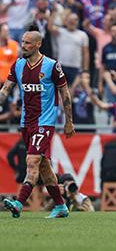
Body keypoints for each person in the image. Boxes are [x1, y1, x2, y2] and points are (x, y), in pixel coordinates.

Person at [0, 31, 74, 219]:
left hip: (45, 122)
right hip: (26, 122)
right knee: (44, 167)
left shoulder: (51, 66)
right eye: (22, 42)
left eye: (27, 43)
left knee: (32, 162)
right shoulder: (18, 65)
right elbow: (5, 90)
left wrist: (68, 122)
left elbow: (65, 94)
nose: (23, 45)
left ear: (38, 44)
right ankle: (61, 206)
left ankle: (18, 202)